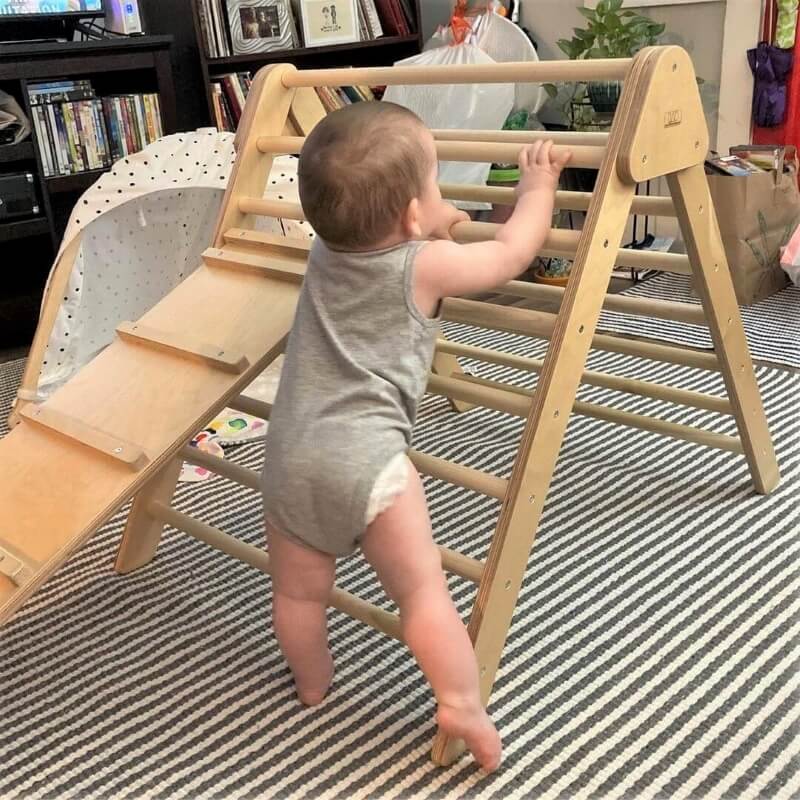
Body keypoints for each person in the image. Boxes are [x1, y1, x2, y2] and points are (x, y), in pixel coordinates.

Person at [261, 101, 570, 772]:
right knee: (422, 593)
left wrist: (436, 216)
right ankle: (459, 698)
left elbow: (400, 228)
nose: (440, 198)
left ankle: (312, 686)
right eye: (433, 184)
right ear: (410, 217)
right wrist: (536, 191)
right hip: (368, 463)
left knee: (297, 594)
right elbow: (513, 253)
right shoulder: (425, 266)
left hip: (289, 456)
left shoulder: (327, 247)